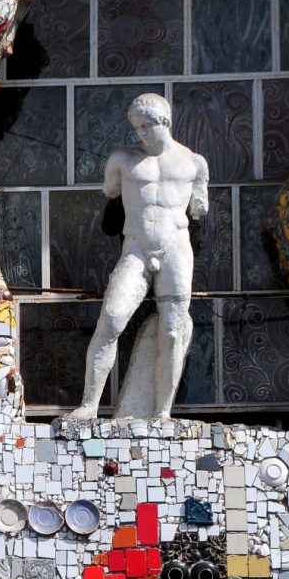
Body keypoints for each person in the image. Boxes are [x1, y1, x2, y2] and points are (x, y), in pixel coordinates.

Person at [71, 94, 208, 420]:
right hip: (135, 248)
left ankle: (162, 413)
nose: (141, 134)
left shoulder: (194, 163)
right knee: (113, 318)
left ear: (165, 122)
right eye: (137, 128)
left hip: (176, 248)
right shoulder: (122, 159)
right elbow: (110, 191)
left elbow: (199, 208)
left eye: (146, 126)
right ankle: (89, 405)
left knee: (174, 330)